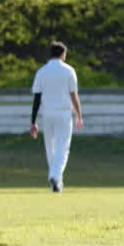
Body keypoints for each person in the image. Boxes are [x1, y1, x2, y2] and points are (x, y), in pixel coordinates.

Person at [30, 41, 83, 192]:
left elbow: (37, 98)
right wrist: (79, 115)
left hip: (48, 114)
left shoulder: (42, 71)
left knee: (50, 149)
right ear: (63, 54)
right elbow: (74, 95)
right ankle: (55, 175)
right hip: (64, 114)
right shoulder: (69, 71)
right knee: (63, 148)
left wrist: (33, 121)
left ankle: (57, 181)